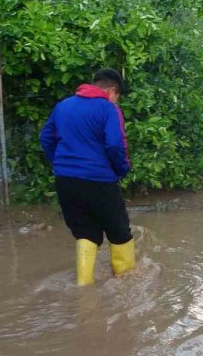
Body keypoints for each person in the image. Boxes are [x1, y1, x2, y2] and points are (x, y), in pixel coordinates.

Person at [39, 69, 135, 286]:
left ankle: (84, 287)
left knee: (85, 231)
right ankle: (128, 284)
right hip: (99, 180)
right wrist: (121, 170)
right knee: (119, 231)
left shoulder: (63, 105)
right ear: (111, 90)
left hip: (66, 181)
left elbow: (45, 138)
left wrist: (62, 164)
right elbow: (114, 144)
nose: (116, 100)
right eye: (117, 96)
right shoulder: (108, 108)